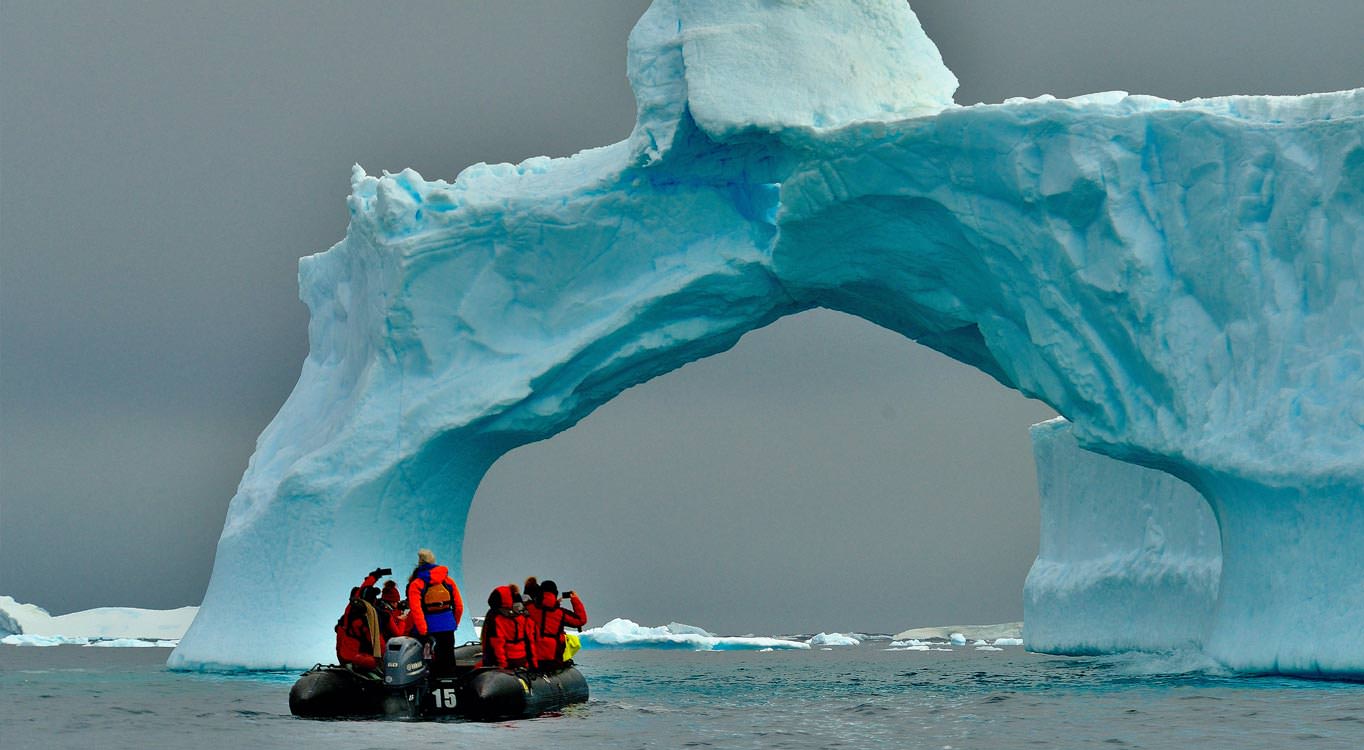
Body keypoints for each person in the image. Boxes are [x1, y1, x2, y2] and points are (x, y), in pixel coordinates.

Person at [407, 549, 463, 674]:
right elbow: (459, 606)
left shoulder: (417, 584)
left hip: (427, 629)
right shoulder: (448, 581)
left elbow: (416, 610)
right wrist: (453, 623)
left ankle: (428, 689)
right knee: (448, 659)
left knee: (426, 662)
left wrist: (422, 630)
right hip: (447, 627)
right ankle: (449, 686)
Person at [334, 567, 391, 675]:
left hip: (342, 654)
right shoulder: (368, 618)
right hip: (355, 658)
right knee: (379, 665)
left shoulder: (350, 608)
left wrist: (374, 576)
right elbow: (380, 644)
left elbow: (361, 589)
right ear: (373, 601)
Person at [526, 580, 587, 668]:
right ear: (556, 593)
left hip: (531, 660)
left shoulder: (529, 608)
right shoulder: (560, 613)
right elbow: (581, 620)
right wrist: (575, 600)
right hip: (553, 660)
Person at [480, 585, 537, 670]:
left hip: (506, 662)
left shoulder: (495, 617)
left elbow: (497, 643)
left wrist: (502, 666)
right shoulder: (523, 616)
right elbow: (530, 641)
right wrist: (533, 664)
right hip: (522, 660)